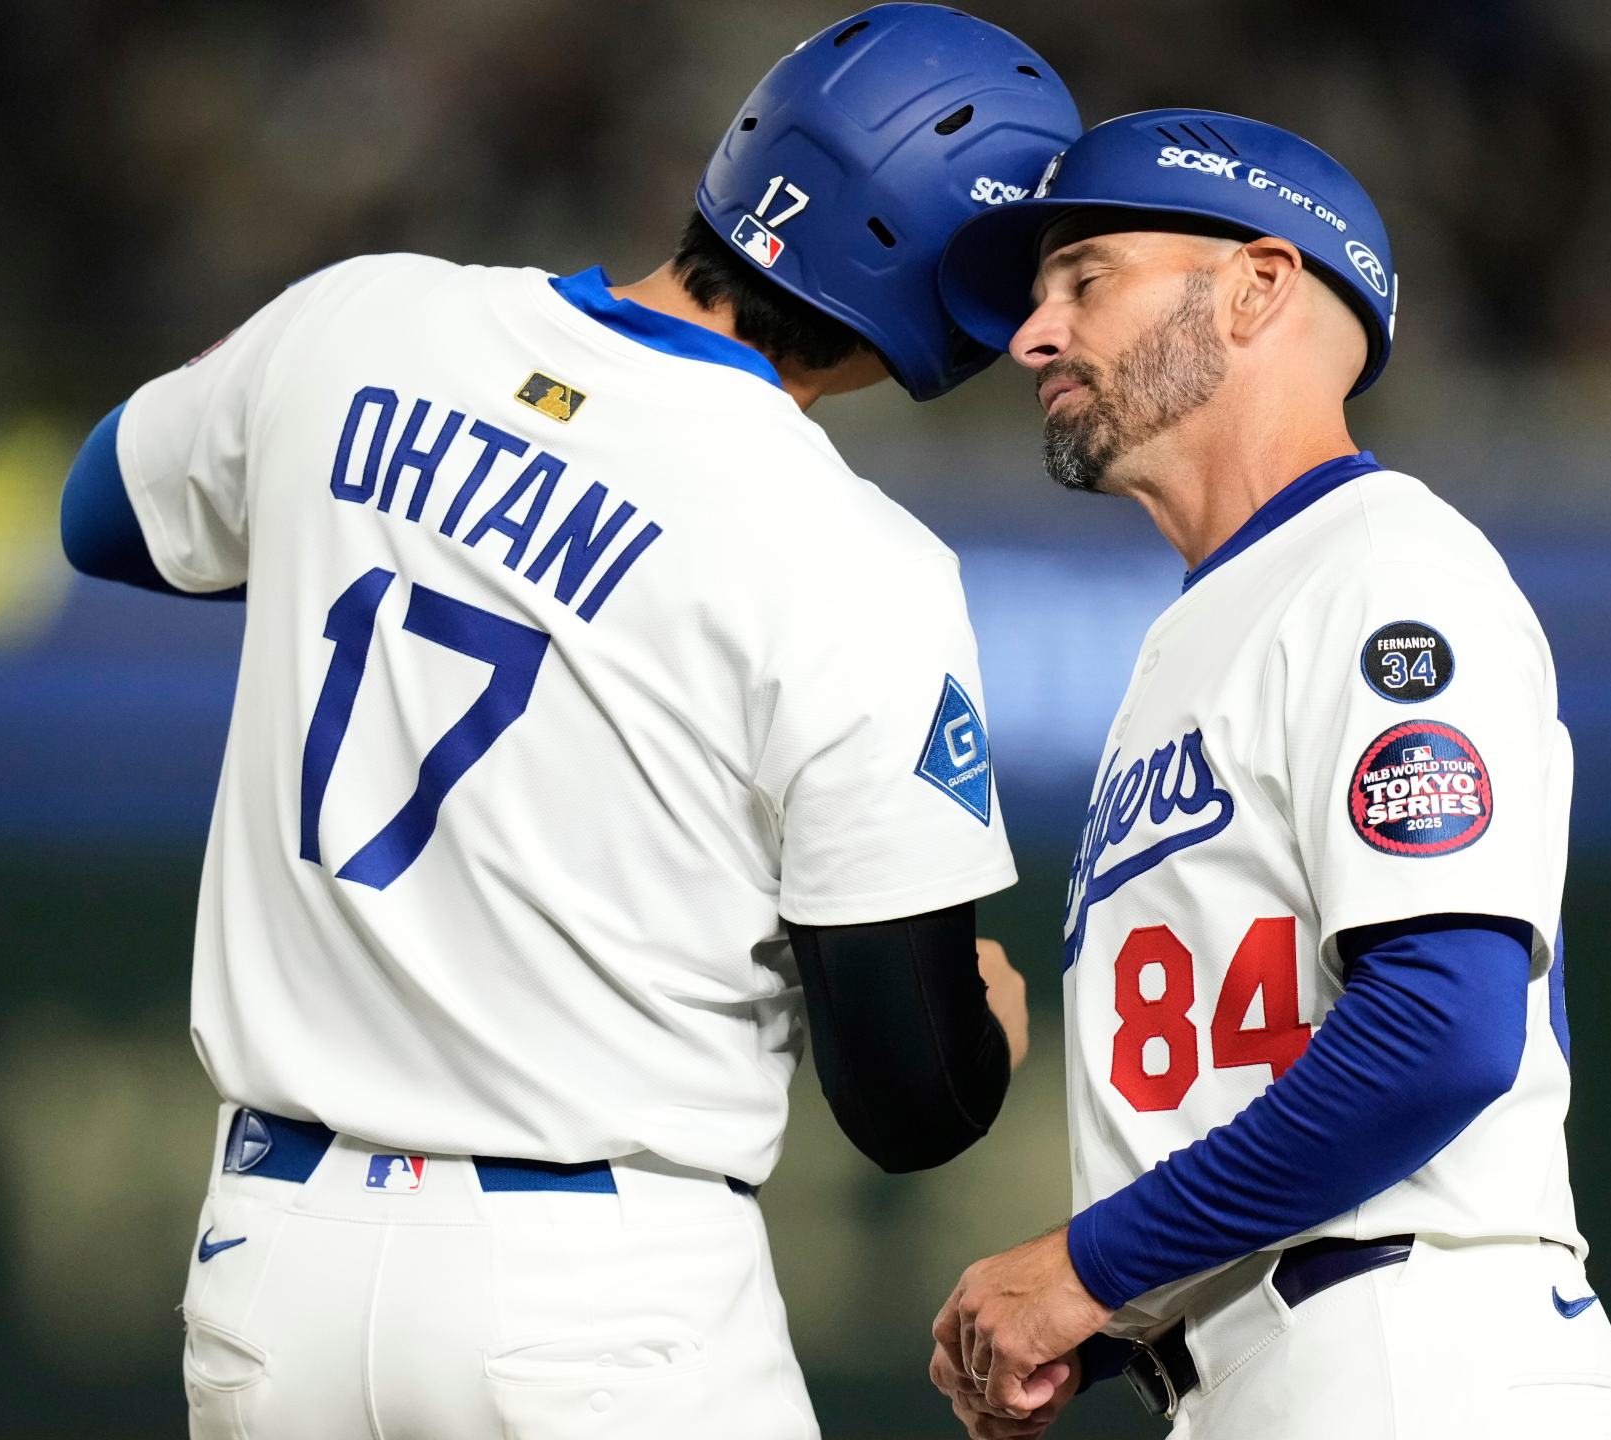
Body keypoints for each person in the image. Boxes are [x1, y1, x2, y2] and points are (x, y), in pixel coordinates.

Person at [56, 8, 1079, 1437]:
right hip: (590, 1292)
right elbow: (915, 1098)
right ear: (958, 296)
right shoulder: (849, 557)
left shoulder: (366, 317)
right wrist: (990, 1022)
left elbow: (101, 515)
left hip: (269, 1274)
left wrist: (407, 535)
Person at [922, 110, 1611, 1438]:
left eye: (1086, 279)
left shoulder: (1386, 574)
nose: (1034, 335)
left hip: (1409, 1352)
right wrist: (1108, 1318)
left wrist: (1085, 1270)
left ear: (1260, 285)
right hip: (1283, 1361)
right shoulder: (1201, 632)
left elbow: (1439, 1029)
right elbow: (1248, 1065)